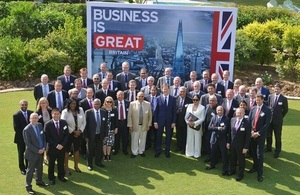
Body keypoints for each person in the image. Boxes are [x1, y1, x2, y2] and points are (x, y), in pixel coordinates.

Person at [23, 113, 49, 194]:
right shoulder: (26, 129)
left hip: (41, 151)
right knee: (30, 170)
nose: (35, 119)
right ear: (30, 119)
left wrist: (44, 147)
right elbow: (28, 144)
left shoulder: (40, 125)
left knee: (40, 168)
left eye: (36, 118)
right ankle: (28, 186)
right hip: (32, 153)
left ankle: (39, 181)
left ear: (38, 119)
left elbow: (43, 137)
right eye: (33, 118)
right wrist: (38, 150)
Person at [248, 94, 271, 182]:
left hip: (260, 136)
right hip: (252, 134)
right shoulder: (253, 109)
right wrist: (251, 132)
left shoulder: (267, 110)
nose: (257, 101)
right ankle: (255, 167)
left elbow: (267, 124)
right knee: (253, 152)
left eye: (259, 100)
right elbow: (249, 121)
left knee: (259, 154)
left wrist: (258, 133)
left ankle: (260, 174)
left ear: (262, 100)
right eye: (256, 100)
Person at [61, 98, 86, 174]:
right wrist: (73, 131)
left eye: (75, 104)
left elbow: (84, 122)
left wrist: (80, 131)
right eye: (71, 103)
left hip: (78, 133)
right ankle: (66, 167)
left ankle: (76, 166)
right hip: (68, 134)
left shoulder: (80, 110)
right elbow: (63, 123)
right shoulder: (65, 112)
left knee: (77, 150)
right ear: (68, 104)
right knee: (67, 151)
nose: (73, 105)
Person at [44, 108, 69, 185]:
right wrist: (56, 145)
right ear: (52, 114)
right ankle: (51, 178)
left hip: (62, 148)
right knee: (51, 164)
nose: (56, 115)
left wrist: (62, 145)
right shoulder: (47, 124)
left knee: (61, 163)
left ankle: (61, 176)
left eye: (57, 114)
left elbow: (66, 135)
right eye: (54, 114)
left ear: (60, 114)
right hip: (52, 148)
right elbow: (47, 137)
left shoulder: (64, 123)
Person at [227, 108, 251, 181]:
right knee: (232, 158)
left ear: (244, 113)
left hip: (241, 146)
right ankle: (232, 170)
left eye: (240, 113)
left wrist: (246, 147)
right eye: (238, 113)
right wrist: (228, 142)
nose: (239, 114)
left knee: (241, 161)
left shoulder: (247, 123)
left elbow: (248, 137)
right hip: (232, 144)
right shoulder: (232, 120)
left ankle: (240, 174)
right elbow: (229, 132)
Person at [154, 83, 176, 158]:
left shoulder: (173, 99)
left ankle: (167, 151)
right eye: (164, 89)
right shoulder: (158, 98)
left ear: (169, 89)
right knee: (159, 136)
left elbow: (174, 111)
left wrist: (173, 122)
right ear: (162, 90)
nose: (165, 90)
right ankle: (158, 150)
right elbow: (156, 111)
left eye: (167, 89)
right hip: (160, 121)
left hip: (169, 121)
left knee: (168, 136)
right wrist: (155, 122)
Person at [84, 99, 107, 171]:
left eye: (98, 104)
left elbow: (105, 124)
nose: (96, 105)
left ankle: (98, 162)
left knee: (99, 149)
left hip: (100, 134)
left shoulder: (104, 112)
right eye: (95, 104)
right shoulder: (88, 112)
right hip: (91, 135)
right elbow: (85, 125)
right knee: (90, 150)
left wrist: (105, 135)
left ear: (100, 105)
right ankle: (89, 164)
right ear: (93, 104)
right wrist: (86, 136)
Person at [266, 84, 288, 158]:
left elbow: (285, 110)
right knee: (269, 135)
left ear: (280, 90)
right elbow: (269, 107)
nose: (276, 90)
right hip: (270, 120)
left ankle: (277, 150)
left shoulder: (283, 99)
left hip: (278, 121)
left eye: (278, 89)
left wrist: (280, 116)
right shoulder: (270, 96)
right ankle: (268, 147)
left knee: (277, 136)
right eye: (275, 89)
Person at [206, 106, 229, 176]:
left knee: (224, 155)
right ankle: (212, 165)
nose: (219, 112)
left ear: (223, 111)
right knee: (212, 153)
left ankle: (225, 170)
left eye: (221, 110)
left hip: (222, 139)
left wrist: (214, 128)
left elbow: (224, 130)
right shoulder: (214, 117)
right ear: (216, 111)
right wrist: (218, 128)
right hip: (214, 138)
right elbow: (209, 127)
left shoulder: (226, 119)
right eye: (218, 110)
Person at [127, 92, 152, 158]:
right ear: (136, 97)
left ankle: (141, 151)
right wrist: (130, 125)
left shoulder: (148, 104)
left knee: (143, 139)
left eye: (142, 96)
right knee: (134, 139)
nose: (141, 98)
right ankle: (134, 152)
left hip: (144, 125)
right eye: (139, 96)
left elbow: (150, 115)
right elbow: (129, 115)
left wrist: (149, 124)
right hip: (135, 125)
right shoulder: (132, 104)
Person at [13, 99, 33, 175]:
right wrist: (25, 134)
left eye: (25, 105)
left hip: (30, 138)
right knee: (21, 153)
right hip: (20, 138)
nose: (24, 106)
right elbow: (16, 128)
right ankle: (22, 168)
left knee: (28, 153)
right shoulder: (16, 115)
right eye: (22, 105)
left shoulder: (31, 113)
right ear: (20, 105)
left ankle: (28, 167)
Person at [185, 94, 205, 158]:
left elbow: (202, 118)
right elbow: (186, 116)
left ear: (199, 100)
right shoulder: (189, 106)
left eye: (196, 100)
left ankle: (197, 153)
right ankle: (189, 152)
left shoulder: (202, 107)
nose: (195, 101)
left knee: (197, 139)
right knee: (190, 138)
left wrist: (195, 123)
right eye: (194, 100)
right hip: (189, 125)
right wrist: (187, 122)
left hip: (197, 126)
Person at [175, 86, 192, 154]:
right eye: (181, 91)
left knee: (184, 134)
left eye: (183, 91)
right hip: (177, 119)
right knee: (178, 134)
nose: (182, 93)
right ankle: (178, 146)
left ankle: (184, 148)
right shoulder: (175, 99)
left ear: (186, 92)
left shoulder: (189, 100)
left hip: (185, 120)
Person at [36, 97, 52, 164]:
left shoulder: (50, 110)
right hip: (41, 131)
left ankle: (47, 157)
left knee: (49, 145)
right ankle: (42, 159)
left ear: (47, 103)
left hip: (50, 130)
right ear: (39, 104)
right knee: (42, 145)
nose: (43, 104)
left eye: (44, 102)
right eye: (42, 103)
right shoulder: (37, 112)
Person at [114, 91, 130, 155]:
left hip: (125, 122)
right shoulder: (114, 103)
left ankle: (125, 149)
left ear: (124, 96)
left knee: (125, 137)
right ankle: (116, 149)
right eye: (119, 95)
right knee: (117, 137)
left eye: (121, 95)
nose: (120, 96)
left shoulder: (128, 103)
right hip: (117, 122)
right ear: (116, 95)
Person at [102, 96, 118, 161]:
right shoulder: (102, 110)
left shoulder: (114, 110)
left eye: (110, 102)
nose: (109, 103)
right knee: (104, 142)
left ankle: (108, 155)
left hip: (111, 128)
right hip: (104, 129)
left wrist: (116, 128)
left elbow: (116, 120)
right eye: (107, 101)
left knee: (110, 142)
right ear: (105, 102)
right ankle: (104, 155)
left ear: (112, 103)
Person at [145, 86, 159, 150]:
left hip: (156, 118)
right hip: (148, 118)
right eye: (152, 90)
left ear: (156, 91)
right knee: (148, 132)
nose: (153, 91)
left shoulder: (159, 98)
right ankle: (148, 145)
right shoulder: (146, 97)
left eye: (154, 90)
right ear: (150, 90)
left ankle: (156, 146)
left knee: (156, 133)